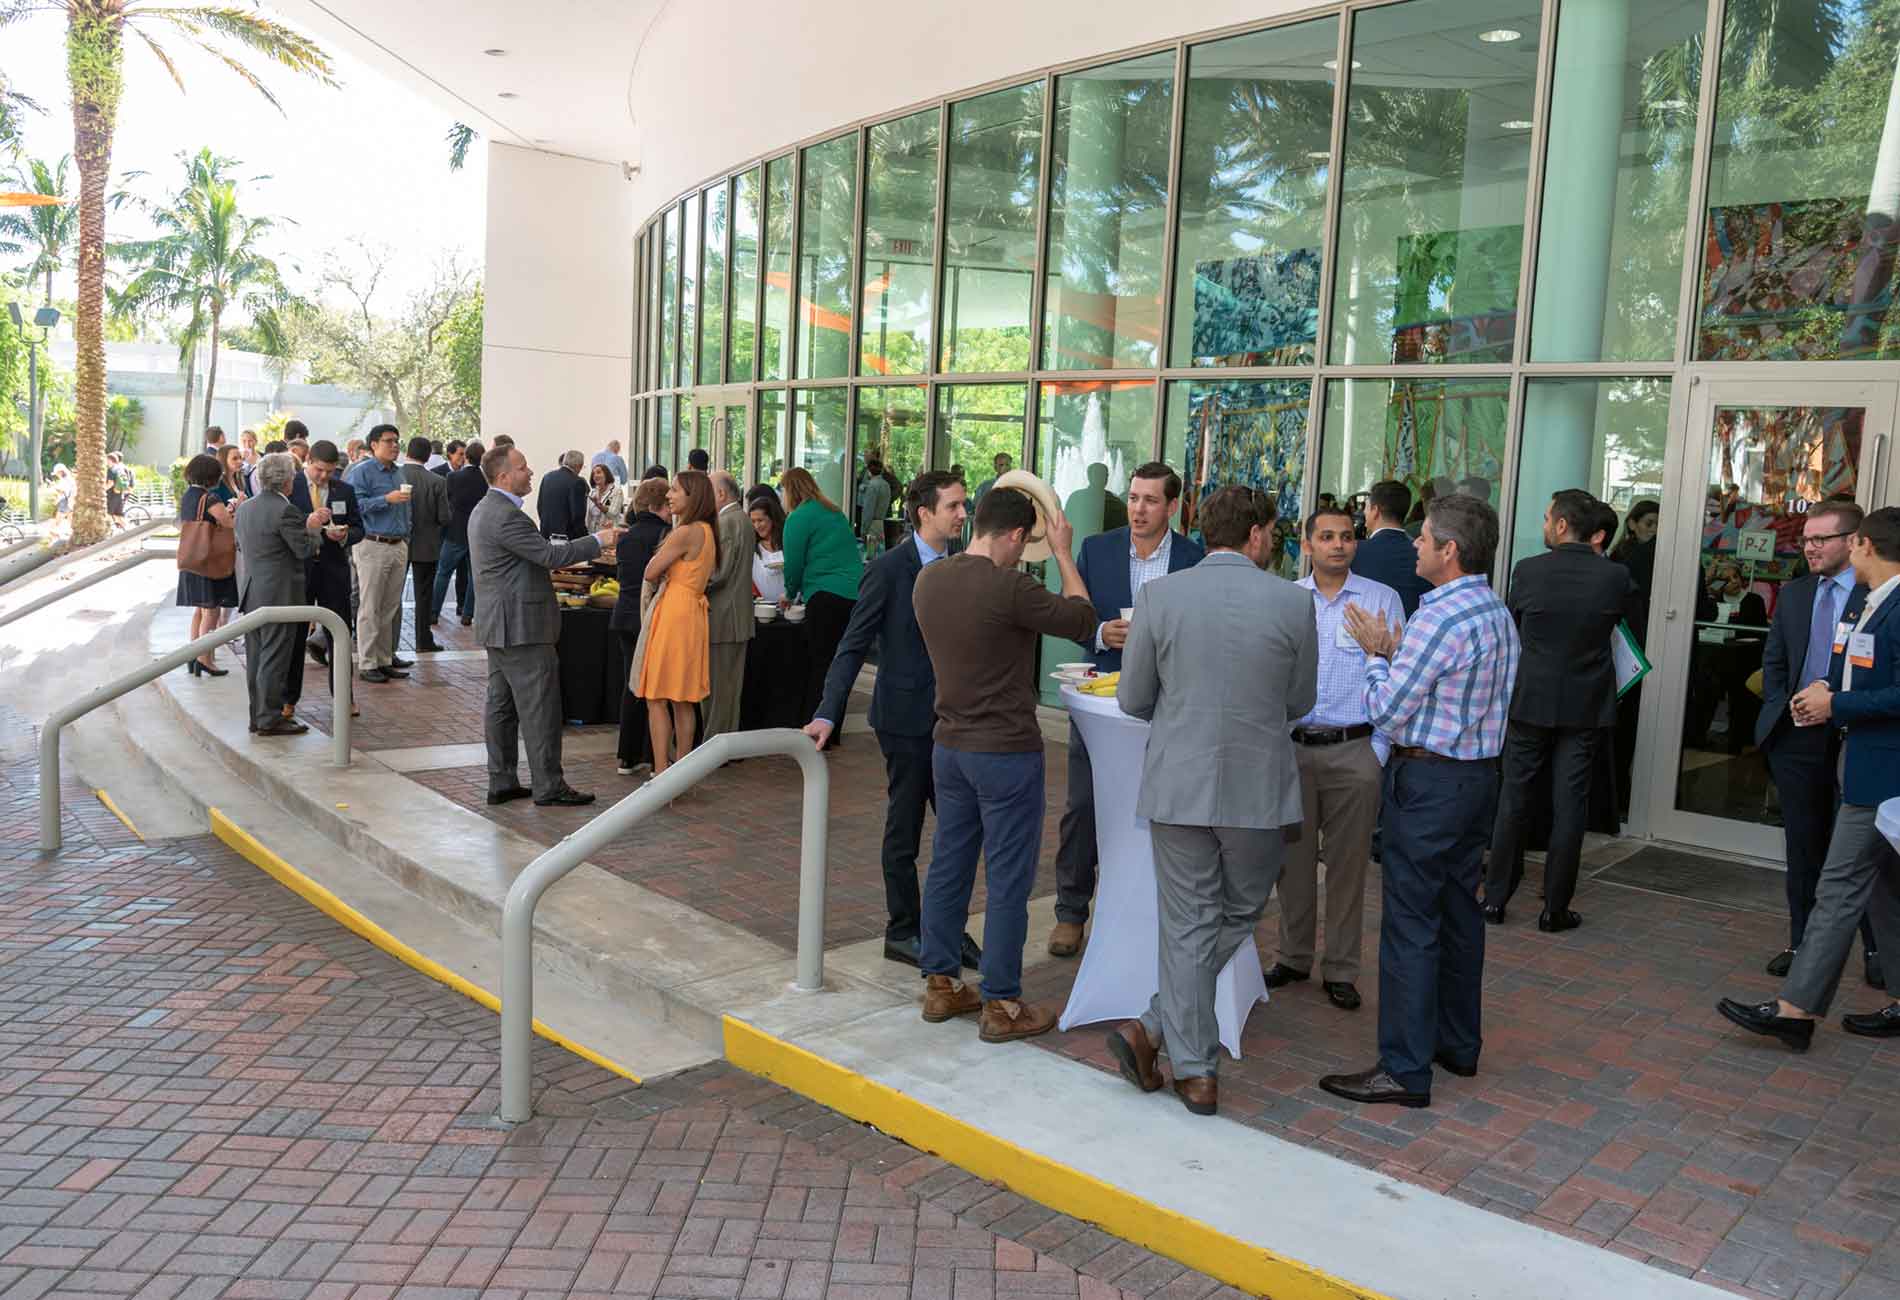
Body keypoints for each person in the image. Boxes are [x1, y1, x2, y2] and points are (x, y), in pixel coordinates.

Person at [1105, 486, 1317, 1116]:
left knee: (1191, 921)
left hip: (1179, 783)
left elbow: (1133, 698)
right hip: (1257, 789)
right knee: (1239, 908)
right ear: (1256, 535)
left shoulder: (1160, 597)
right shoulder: (1291, 602)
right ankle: (1192, 1068)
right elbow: (1299, 700)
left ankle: (1156, 1030)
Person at [1320, 495, 1519, 1109]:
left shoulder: (1441, 617)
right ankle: (1457, 1044)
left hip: (1430, 784)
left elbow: (1387, 708)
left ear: (1449, 550)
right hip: (1477, 779)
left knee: (1411, 924)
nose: (1414, 546)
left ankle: (1404, 1068)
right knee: (1461, 915)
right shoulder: (1495, 610)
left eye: (1424, 539)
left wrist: (1380, 656)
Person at [911, 487, 1096, 1042]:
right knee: (1009, 878)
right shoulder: (1011, 587)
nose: (1026, 554)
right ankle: (1002, 1003)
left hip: (949, 746)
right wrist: (1063, 552)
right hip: (1006, 751)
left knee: (949, 864)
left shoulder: (929, 579)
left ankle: (941, 984)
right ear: (1015, 535)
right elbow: (1083, 618)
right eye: (1028, 543)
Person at [1718, 508, 1900, 1052]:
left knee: (1839, 886)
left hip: (1880, 775)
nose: (1816, 550)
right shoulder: (1875, 603)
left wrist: (1835, 702)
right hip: (1866, 767)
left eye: (1834, 540)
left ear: (1863, 544)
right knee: (1886, 891)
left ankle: (1796, 1010)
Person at [805, 471, 982, 972]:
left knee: (959, 830)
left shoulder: (965, 567)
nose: (963, 515)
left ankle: (946, 929)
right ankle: (902, 930)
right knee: (905, 828)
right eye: (954, 506)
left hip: (957, 720)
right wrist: (827, 711)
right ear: (925, 513)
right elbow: (853, 644)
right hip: (905, 721)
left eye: (964, 506)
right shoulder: (887, 569)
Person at [1049, 462, 1204, 959]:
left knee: (1161, 813)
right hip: (1101, 703)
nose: (1138, 509)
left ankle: (1150, 914)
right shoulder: (1097, 549)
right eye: (1134, 498)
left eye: (1150, 500)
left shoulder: (1194, 559)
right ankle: (1071, 913)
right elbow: (1074, 616)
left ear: (1172, 507)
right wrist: (1098, 633)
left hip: (1166, 706)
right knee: (1083, 807)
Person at [1270, 504, 1404, 1012]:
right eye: (1325, 536)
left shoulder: (1381, 599)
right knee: (1292, 864)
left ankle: (1342, 968)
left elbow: (1398, 677)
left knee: (1349, 870)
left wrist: (1378, 750)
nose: (1338, 545)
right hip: (1294, 750)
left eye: (1347, 536)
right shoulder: (1285, 601)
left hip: (1355, 752)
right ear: (1307, 545)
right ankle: (1294, 955)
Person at [1483, 490, 1636, 932]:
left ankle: (1494, 898)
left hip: (1530, 697)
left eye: (1548, 517)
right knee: (1571, 805)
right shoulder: (1615, 576)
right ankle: (1554, 907)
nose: (1544, 524)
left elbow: (1514, 627)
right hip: (1586, 704)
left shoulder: (1528, 571)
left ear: (1564, 525)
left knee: (1514, 797)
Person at [1754, 502, 1881, 984]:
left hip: (1856, 735)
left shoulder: (1876, 597)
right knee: (1804, 845)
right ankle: (1801, 942)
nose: (1809, 547)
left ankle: (1876, 949)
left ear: (1853, 541)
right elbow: (1775, 661)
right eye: (1805, 539)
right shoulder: (1796, 594)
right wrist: (1783, 705)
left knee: (1861, 848)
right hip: (1798, 737)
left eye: (1820, 539)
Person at [469, 445, 616, 807]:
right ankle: (549, 785)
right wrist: (600, 540)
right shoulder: (506, 515)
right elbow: (550, 557)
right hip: (522, 627)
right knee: (540, 709)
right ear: (504, 476)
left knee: (501, 708)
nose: (530, 472)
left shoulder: (486, 509)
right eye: (522, 468)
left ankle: (502, 781)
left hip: (501, 625)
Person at [234, 453, 327, 737]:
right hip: (280, 595)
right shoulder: (285, 510)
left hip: (253, 592)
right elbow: (304, 550)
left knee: (256, 658)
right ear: (287, 481)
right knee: (274, 657)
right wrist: (313, 529)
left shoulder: (245, 508)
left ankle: (258, 715)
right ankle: (270, 718)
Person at [638, 470, 719, 775]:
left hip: (675, 611)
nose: (668, 496)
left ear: (693, 496)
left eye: (674, 490)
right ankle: (681, 774)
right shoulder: (708, 531)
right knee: (684, 699)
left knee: (657, 697)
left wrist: (662, 567)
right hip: (692, 612)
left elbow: (650, 570)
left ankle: (661, 772)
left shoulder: (685, 532)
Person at [779, 467, 864, 743]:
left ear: (789, 490)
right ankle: (834, 729)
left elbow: (792, 563)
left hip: (824, 595)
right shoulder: (834, 512)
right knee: (840, 661)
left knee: (819, 663)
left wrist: (790, 593)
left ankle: (816, 729)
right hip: (853, 594)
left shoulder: (798, 517)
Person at [285, 440, 361, 715]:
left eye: (330, 472)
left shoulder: (344, 489)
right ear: (308, 462)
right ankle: (288, 699)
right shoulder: (290, 486)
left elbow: (358, 528)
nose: (324, 477)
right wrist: (310, 522)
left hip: (333, 570)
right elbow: (285, 524)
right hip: (300, 570)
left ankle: (344, 697)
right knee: (294, 636)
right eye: (319, 470)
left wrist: (344, 536)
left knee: (340, 634)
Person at [341, 424, 415, 684]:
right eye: (388, 441)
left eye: (397, 441)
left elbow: (407, 508)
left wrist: (406, 533)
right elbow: (355, 506)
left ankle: (384, 659)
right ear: (373, 445)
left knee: (389, 607)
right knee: (370, 606)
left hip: (398, 544)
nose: (395, 445)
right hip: (372, 544)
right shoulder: (362, 472)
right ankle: (367, 662)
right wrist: (386, 499)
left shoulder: (400, 472)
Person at [611, 477, 671, 776]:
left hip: (623, 614)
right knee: (656, 689)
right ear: (663, 504)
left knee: (631, 685)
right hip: (649, 616)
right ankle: (653, 756)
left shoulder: (627, 535)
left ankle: (627, 756)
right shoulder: (666, 535)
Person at [703, 471, 756, 740]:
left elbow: (717, 574)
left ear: (721, 494)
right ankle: (722, 744)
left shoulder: (727, 522)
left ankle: (715, 746)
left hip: (724, 618)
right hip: (734, 617)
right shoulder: (741, 520)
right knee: (727, 688)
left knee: (719, 690)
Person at [175, 453, 238, 678]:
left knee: (200, 610)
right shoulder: (209, 499)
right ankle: (205, 659)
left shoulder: (189, 496)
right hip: (210, 561)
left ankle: (194, 653)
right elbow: (228, 522)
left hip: (193, 559)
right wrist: (235, 508)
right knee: (211, 611)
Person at [401, 435, 453, 654]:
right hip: (427, 544)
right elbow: (444, 516)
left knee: (392, 596)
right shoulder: (437, 482)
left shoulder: (395, 476)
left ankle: (390, 642)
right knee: (424, 595)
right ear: (428, 455)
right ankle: (423, 640)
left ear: (407, 452)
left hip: (399, 543)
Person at [1351, 480, 1430, 617]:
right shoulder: (1425, 555)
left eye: (1366, 506)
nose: (1363, 511)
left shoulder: (1354, 552)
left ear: (1375, 511)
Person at [434, 440, 486, 628]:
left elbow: (447, 503)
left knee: (443, 572)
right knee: (474, 576)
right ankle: (467, 613)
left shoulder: (453, 477)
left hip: (455, 532)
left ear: (467, 457)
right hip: (477, 533)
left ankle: (433, 612)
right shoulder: (486, 480)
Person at [537, 449, 589, 539]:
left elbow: (540, 506)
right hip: (567, 538)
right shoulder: (577, 482)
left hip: (546, 534)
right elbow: (577, 516)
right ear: (579, 466)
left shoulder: (547, 477)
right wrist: (585, 538)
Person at [749, 494, 787, 603]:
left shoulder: (787, 542)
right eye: (753, 521)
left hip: (794, 608)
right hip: (765, 610)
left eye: (760, 520)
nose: (756, 526)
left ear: (772, 518)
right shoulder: (752, 548)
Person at [857, 457, 892, 556]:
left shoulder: (872, 486)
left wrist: (863, 530)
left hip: (872, 525)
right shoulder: (886, 485)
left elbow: (868, 510)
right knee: (880, 554)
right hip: (881, 523)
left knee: (870, 556)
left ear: (869, 471)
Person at [585, 463, 628, 534]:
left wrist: (599, 505)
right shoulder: (592, 492)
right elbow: (588, 517)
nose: (595, 476)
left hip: (609, 533)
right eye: (593, 474)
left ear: (606, 474)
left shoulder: (616, 491)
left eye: (598, 472)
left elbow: (613, 513)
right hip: (593, 534)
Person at [105, 452, 132, 530]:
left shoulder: (111, 470)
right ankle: (129, 530)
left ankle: (108, 533)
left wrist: (102, 490)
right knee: (118, 516)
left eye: (107, 460)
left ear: (110, 460)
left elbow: (110, 483)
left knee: (108, 514)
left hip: (112, 496)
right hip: (119, 494)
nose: (106, 462)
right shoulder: (120, 468)